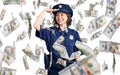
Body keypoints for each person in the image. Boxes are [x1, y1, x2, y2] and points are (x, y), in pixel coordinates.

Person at [34, 3, 84, 75]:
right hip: (54, 71)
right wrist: (44, 10)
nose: (59, 17)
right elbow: (36, 25)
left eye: (62, 15)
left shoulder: (74, 34)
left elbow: (77, 54)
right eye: (57, 15)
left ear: (68, 17)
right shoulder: (50, 32)